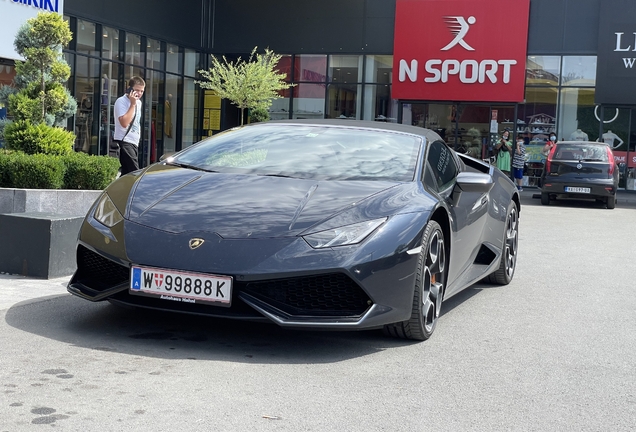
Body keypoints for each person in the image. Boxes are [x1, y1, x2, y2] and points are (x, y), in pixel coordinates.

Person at [114, 76, 145, 175]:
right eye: (137, 90)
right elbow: (124, 123)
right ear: (129, 89)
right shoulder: (121, 101)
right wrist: (132, 104)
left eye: (142, 91)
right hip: (124, 141)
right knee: (135, 173)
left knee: (126, 174)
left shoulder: (139, 103)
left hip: (134, 142)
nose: (139, 93)